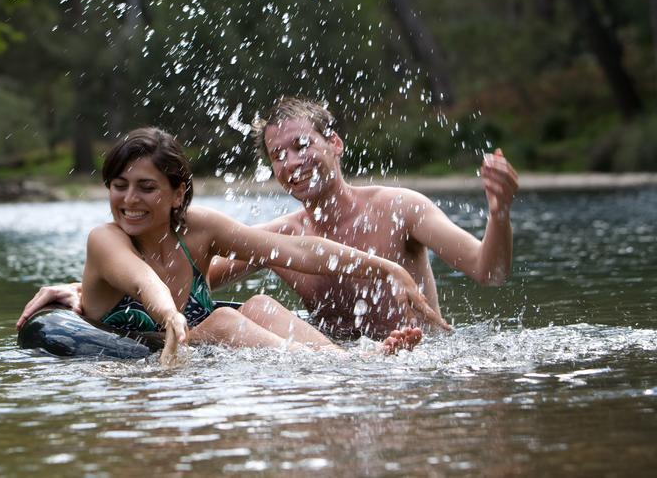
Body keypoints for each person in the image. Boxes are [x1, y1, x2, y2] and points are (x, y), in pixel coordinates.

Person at [17, 98, 518, 340]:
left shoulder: (400, 207)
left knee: (247, 310)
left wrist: (499, 214)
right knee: (246, 306)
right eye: (279, 155)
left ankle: (355, 366)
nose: (292, 162)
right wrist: (83, 290)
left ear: (335, 144)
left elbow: (489, 273)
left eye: (303, 145)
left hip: (423, 358)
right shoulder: (281, 234)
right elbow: (170, 281)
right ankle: (351, 366)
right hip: (339, 361)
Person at [52, 126, 447, 364]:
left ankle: (351, 363)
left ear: (177, 195)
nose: (129, 200)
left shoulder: (200, 229)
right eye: (119, 186)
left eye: (146, 187)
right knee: (222, 320)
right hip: (132, 361)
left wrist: (385, 267)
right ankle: (345, 367)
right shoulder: (106, 239)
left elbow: (297, 250)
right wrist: (171, 316)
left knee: (260, 304)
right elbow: (142, 280)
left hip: (202, 352)